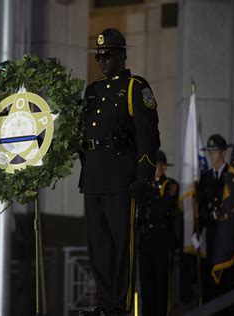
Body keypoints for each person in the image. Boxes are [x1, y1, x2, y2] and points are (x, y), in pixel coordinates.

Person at [78, 28, 160, 315]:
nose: (102, 60)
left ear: (123, 55)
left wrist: (144, 179)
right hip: (93, 178)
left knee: (121, 246)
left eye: (108, 54)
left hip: (121, 179)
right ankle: (104, 303)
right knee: (98, 246)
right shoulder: (92, 91)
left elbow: (148, 137)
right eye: (99, 56)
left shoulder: (135, 87)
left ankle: (120, 306)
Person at [197, 134, 234, 305]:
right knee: (210, 270)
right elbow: (200, 205)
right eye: (210, 151)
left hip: (227, 231)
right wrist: (198, 230)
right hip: (211, 231)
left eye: (215, 151)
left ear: (223, 152)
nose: (212, 155)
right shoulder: (206, 177)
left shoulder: (232, 177)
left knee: (225, 272)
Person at [138, 150, 179, 316]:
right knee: (147, 284)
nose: (157, 168)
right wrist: (149, 211)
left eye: (159, 165)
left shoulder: (171, 185)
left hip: (162, 241)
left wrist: (149, 211)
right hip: (146, 240)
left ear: (164, 167)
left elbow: (162, 209)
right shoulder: (145, 186)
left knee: (161, 284)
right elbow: (139, 213)